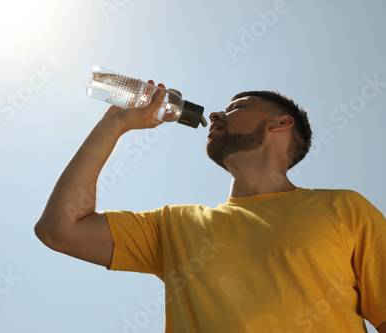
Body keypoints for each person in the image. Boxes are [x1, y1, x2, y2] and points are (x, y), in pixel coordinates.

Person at [34, 81, 386, 332]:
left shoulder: (343, 207)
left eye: (236, 107)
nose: (217, 113)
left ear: (281, 124)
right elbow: (59, 229)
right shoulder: (175, 225)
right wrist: (115, 123)